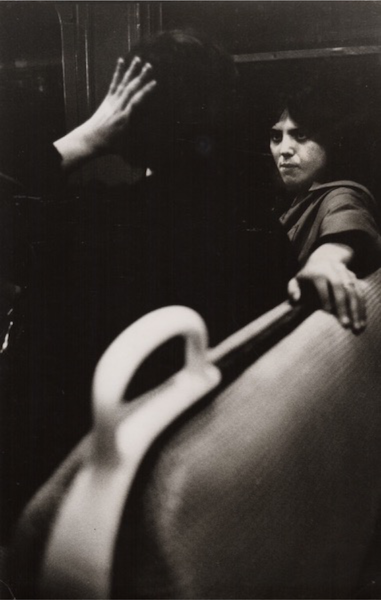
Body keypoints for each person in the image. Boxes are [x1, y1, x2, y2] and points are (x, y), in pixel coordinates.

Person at [2, 30, 298, 537]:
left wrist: (87, 137)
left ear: (129, 115)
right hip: (202, 485)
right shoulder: (259, 228)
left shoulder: (99, 227)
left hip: (76, 497)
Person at [269, 82, 381, 332]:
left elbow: (348, 224)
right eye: (277, 136)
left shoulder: (342, 194)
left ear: (333, 141)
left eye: (301, 135)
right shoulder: (296, 197)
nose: (284, 150)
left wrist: (325, 260)